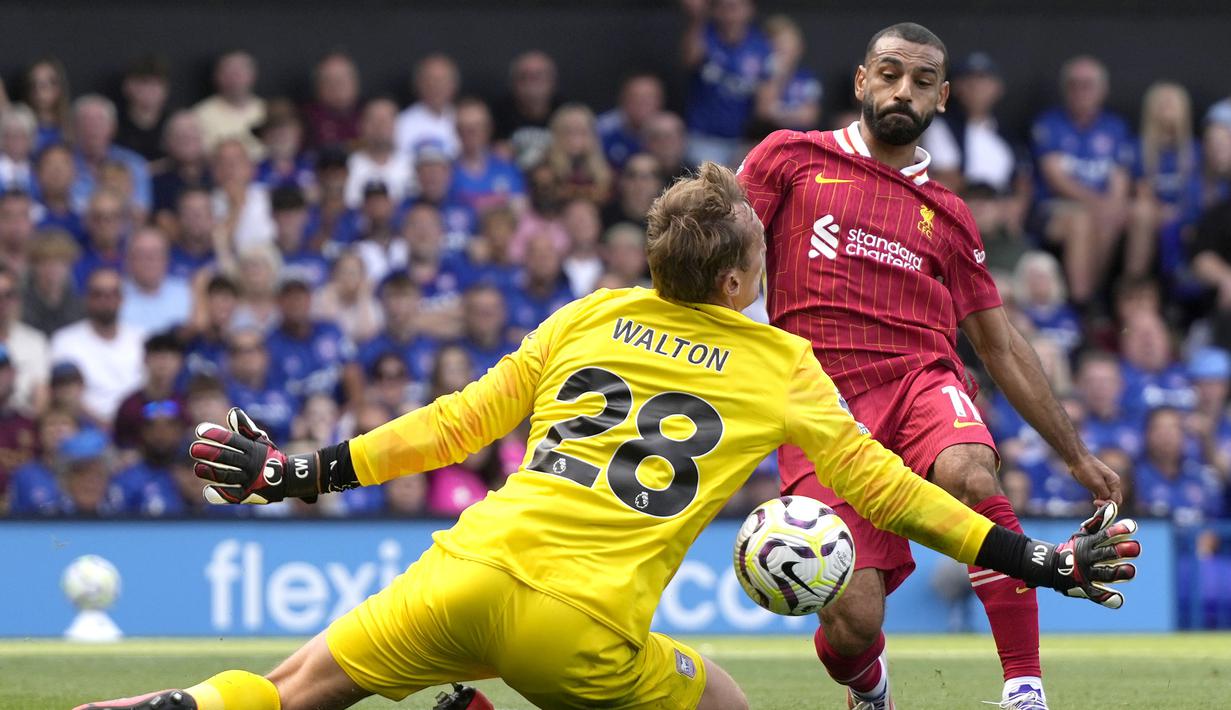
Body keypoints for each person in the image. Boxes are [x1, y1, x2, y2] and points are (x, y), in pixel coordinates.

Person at [76, 162, 1139, 710]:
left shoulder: (585, 316)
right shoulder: (779, 362)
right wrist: (1033, 558)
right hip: (578, 625)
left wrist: (297, 470)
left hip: (464, 568)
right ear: (738, 279)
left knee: (290, 689)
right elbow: (891, 491)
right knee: (721, 700)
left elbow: (453, 425)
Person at [738, 22, 1124, 710]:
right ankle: (871, 687)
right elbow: (720, 252)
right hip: (819, 407)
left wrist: (1074, 455)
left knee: (970, 473)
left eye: (921, 81)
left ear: (942, 98)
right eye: (888, 74)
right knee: (853, 624)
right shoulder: (789, 157)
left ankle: (1024, 687)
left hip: (920, 380)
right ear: (862, 80)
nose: (902, 91)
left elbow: (998, 345)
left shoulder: (948, 216)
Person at [1029, 56, 1134, 308]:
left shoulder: (1115, 127)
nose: (1080, 91)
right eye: (1074, 84)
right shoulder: (1049, 123)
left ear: (1102, 90)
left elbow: (1120, 177)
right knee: (1082, 219)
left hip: (1100, 206)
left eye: (1087, 85)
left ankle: (1112, 298)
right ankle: (1081, 302)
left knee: (1125, 216)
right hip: (1054, 208)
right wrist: (1099, 204)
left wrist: (1112, 205)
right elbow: (1056, 179)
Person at [679, 0, 772, 166]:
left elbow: (764, 101)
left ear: (749, 9)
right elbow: (689, 59)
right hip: (703, 137)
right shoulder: (705, 36)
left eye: (735, 6)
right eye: (724, 6)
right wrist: (699, 18)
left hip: (742, 140)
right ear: (715, 11)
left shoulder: (760, 46)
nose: (730, 13)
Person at [50, 267, 146, 424]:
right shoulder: (65, 340)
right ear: (86, 299)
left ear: (122, 299)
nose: (105, 300)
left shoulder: (141, 338)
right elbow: (64, 393)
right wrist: (102, 424)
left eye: (112, 294)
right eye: (98, 294)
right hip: (84, 424)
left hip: (137, 423)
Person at [192, 51, 265, 156]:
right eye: (229, 73)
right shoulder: (200, 115)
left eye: (239, 73)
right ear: (216, 77)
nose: (235, 79)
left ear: (253, 75)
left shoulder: (266, 110)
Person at [395, 54, 461, 165]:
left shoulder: (464, 120)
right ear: (418, 84)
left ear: (453, 85)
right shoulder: (401, 123)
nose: (436, 86)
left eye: (442, 80)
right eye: (430, 80)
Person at [345, 98, 410, 208]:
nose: (380, 127)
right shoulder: (349, 165)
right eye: (373, 120)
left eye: (385, 120)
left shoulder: (411, 165)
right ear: (361, 125)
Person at [596, 73, 666, 169]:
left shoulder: (670, 129)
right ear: (623, 99)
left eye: (648, 97)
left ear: (660, 101)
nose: (641, 103)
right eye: (635, 96)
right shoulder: (603, 129)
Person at [115, 55, 172, 163]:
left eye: (157, 84)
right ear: (127, 86)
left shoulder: (175, 122)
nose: (150, 90)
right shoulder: (115, 125)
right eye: (144, 83)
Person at [302, 51, 362, 152]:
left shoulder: (370, 113)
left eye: (342, 79)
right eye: (328, 80)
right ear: (317, 86)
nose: (336, 86)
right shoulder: (304, 119)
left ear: (355, 82)